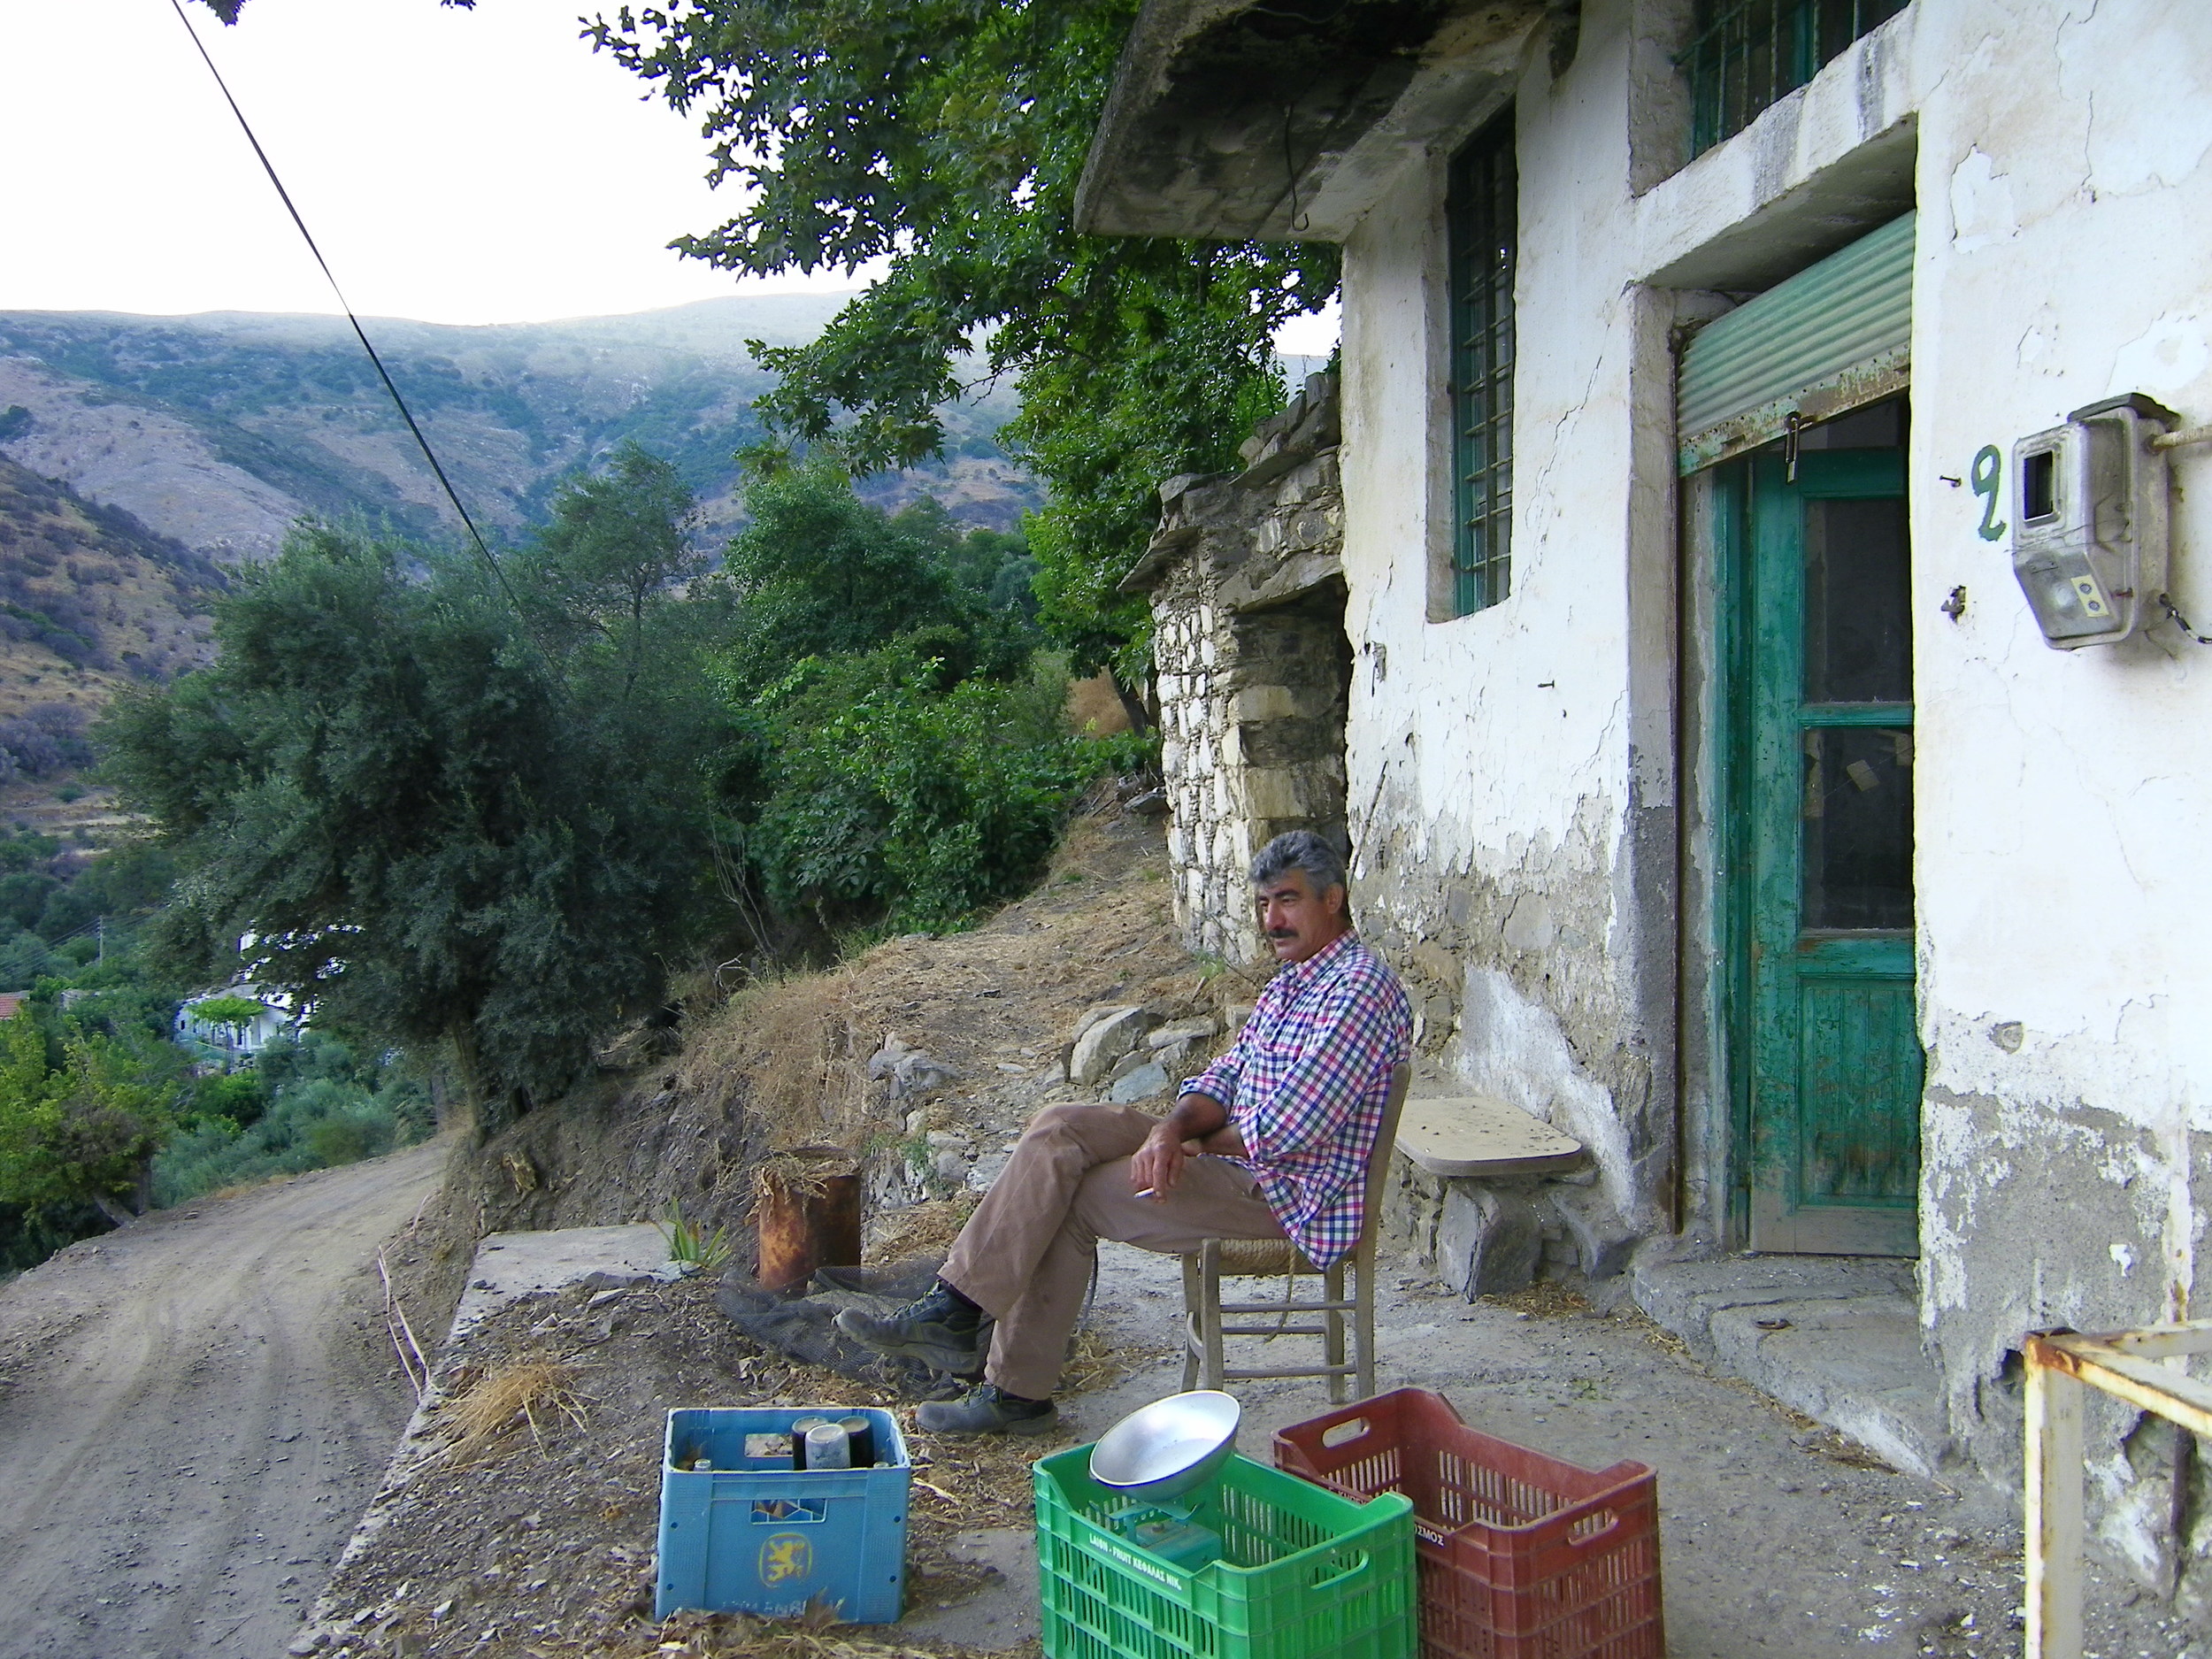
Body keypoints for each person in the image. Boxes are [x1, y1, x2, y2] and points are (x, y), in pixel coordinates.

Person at [838, 828, 1413, 1434]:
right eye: (1265, 903)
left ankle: (1015, 1392)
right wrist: (1170, 1127)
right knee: (1060, 1128)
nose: (1272, 919)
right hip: (1240, 1161)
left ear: (1333, 899)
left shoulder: (1357, 989)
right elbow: (1224, 1076)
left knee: (1073, 1197)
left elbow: (1287, 1128)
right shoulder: (1294, 981)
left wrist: (1190, 1143)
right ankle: (955, 1309)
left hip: (1290, 1193)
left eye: (1288, 900)